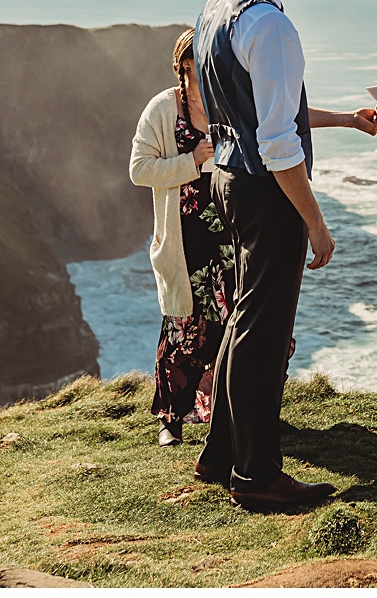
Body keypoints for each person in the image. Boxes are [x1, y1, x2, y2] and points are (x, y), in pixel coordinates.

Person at [191, 0, 377, 513]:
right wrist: (315, 221)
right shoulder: (272, 24)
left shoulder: (214, 11)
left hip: (228, 180)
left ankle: (222, 453)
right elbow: (278, 144)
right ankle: (257, 476)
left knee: (244, 321)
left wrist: (345, 122)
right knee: (265, 332)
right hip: (266, 190)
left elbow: (257, 117)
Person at [128, 28, 234, 446]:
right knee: (184, 330)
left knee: (234, 325)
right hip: (185, 241)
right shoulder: (162, 109)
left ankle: (230, 412)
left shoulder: (229, 101)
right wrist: (190, 161)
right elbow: (139, 169)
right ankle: (171, 421)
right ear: (187, 64)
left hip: (230, 235)